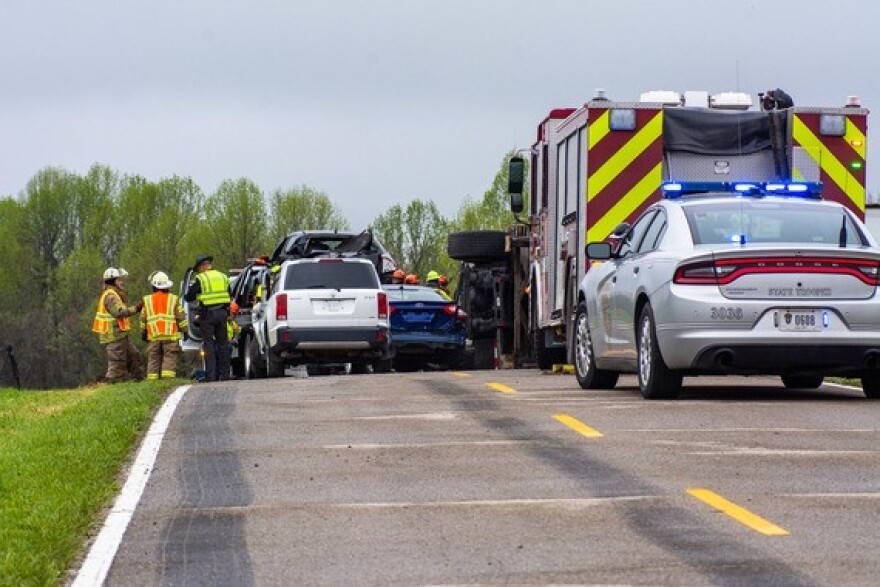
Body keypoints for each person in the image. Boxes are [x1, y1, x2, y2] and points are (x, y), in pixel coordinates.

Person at [92, 267, 145, 383]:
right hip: (114, 337)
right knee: (117, 366)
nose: (122, 282)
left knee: (134, 358)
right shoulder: (110, 296)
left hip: (119, 335)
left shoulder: (114, 294)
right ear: (112, 281)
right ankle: (106, 385)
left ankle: (140, 382)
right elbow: (119, 312)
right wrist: (137, 308)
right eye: (119, 280)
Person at [184, 255, 232, 381]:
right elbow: (230, 294)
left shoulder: (201, 278)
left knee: (208, 345)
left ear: (201, 267)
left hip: (208, 315)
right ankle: (226, 375)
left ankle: (211, 376)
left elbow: (188, 297)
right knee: (223, 344)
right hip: (222, 313)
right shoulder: (223, 276)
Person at [140, 271, 187, 380]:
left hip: (154, 335)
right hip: (170, 336)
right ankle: (167, 379)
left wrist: (143, 334)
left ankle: (152, 380)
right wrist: (185, 331)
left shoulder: (147, 300)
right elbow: (181, 317)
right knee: (170, 357)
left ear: (154, 286)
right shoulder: (173, 299)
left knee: (153, 358)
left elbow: (143, 319)